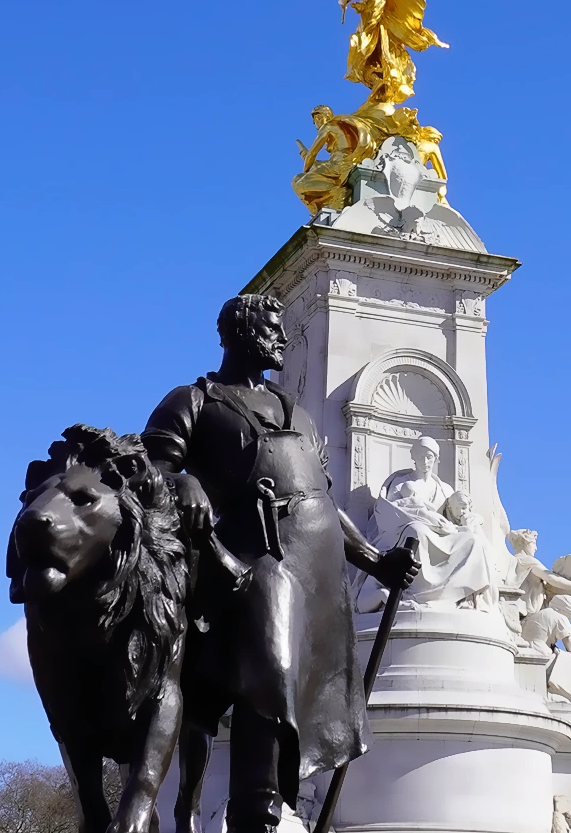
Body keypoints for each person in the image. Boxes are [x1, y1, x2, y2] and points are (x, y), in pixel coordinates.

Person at [142, 294, 418, 833]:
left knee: (299, 687)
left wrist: (376, 561)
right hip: (247, 558)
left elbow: (322, 502)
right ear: (239, 332)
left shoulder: (301, 416)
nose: (282, 340)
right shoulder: (194, 400)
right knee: (269, 675)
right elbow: (152, 465)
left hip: (316, 569)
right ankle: (257, 810)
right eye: (271, 328)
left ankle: (269, 806)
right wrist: (185, 480)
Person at [356, 437, 496, 613]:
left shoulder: (445, 489)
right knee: (417, 531)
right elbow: (387, 512)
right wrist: (424, 516)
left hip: (441, 534)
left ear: (436, 459)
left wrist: (470, 521)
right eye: (421, 456)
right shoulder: (400, 482)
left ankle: (460, 594)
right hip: (402, 530)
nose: (425, 461)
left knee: (473, 540)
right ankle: (414, 594)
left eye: (429, 457)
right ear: (414, 458)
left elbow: (455, 518)